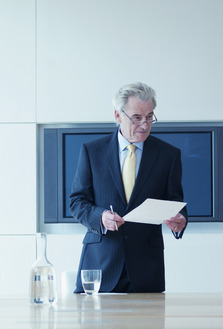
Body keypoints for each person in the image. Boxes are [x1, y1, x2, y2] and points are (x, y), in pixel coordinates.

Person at [69, 82, 187, 292]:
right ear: (117, 115)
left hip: (147, 269)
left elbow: (175, 201)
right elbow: (77, 202)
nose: (145, 124)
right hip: (100, 265)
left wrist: (180, 220)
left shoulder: (168, 155)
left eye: (150, 117)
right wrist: (101, 217)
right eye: (137, 118)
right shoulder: (92, 151)